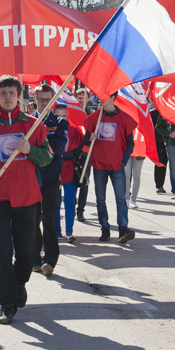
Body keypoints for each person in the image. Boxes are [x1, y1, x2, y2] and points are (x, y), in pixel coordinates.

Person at [0, 75, 52, 324]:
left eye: (11, 93)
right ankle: (7, 304)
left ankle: (19, 284)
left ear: (19, 96)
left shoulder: (34, 126)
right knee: (2, 255)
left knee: (27, 252)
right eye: (2, 93)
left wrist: (30, 150)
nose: (7, 97)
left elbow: (46, 158)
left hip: (26, 198)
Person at [84, 92, 137, 243]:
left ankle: (123, 229)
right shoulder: (96, 116)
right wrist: (89, 138)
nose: (101, 99)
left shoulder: (124, 118)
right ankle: (105, 228)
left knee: (121, 198)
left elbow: (130, 143)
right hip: (99, 164)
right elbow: (86, 141)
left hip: (117, 166)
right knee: (100, 199)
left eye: (105, 96)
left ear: (113, 98)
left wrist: (123, 161)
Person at [32, 85, 69, 276]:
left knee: (49, 219)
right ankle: (35, 258)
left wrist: (35, 148)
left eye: (48, 100)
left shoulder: (60, 122)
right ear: (35, 99)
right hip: (31, 177)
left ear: (53, 101)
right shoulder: (27, 121)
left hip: (52, 177)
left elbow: (57, 147)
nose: (44, 103)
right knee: (33, 219)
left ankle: (50, 259)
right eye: (41, 99)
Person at [58, 101, 84, 243]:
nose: (62, 118)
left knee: (69, 202)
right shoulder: (48, 129)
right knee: (54, 203)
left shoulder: (74, 131)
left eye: (64, 115)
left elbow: (79, 149)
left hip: (70, 171)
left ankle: (69, 231)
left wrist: (89, 137)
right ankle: (56, 231)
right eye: (58, 115)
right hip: (54, 170)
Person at [73, 87, 93, 222]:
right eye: (79, 97)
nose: (81, 100)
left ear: (88, 99)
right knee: (71, 182)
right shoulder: (70, 112)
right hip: (73, 153)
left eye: (84, 98)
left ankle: (81, 211)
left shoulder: (92, 115)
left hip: (86, 154)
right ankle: (72, 206)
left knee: (84, 182)